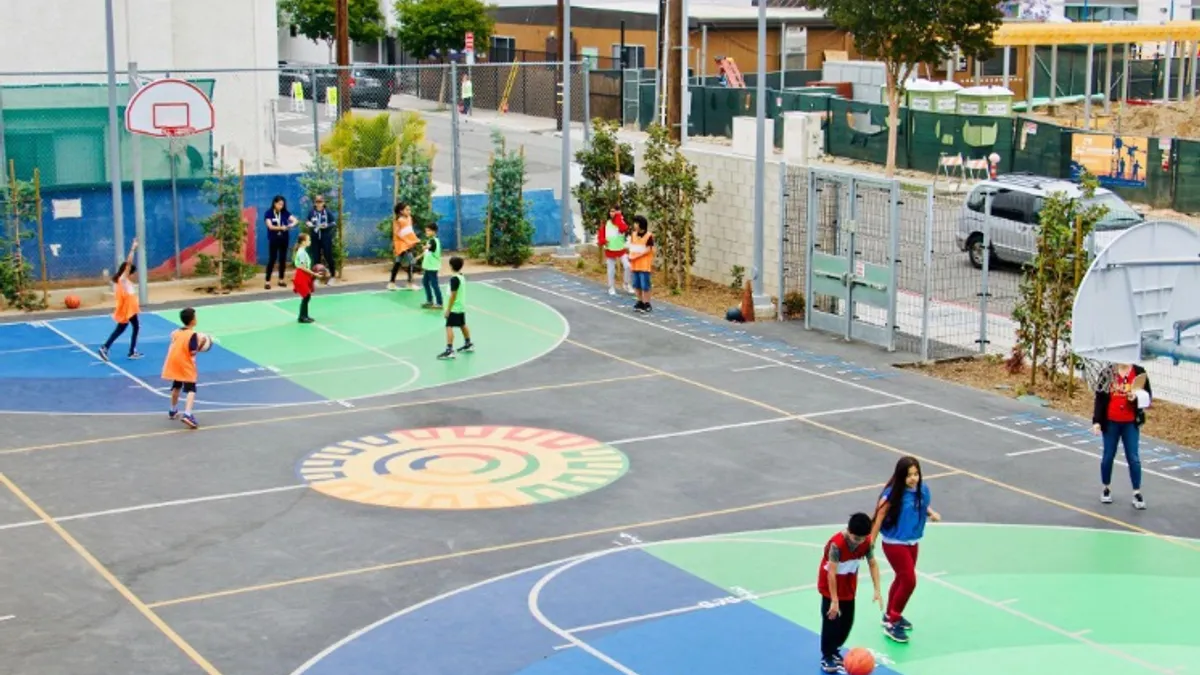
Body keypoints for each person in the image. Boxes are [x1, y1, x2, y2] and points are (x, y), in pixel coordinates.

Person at [870, 456, 941, 644]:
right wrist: (871, 541)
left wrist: (931, 513)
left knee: (901, 578)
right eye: (909, 475)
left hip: (912, 541)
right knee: (909, 581)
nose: (913, 478)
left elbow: (921, 505)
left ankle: (888, 615)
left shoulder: (921, 490)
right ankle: (893, 623)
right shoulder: (892, 495)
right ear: (901, 476)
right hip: (895, 543)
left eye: (916, 474)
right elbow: (879, 517)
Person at [818, 512, 883, 674]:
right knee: (831, 620)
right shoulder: (836, 545)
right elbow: (831, 573)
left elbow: (873, 564)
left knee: (847, 622)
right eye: (856, 539)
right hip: (830, 587)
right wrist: (834, 600)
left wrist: (877, 589)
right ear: (849, 531)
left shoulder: (866, 542)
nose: (859, 542)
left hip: (848, 586)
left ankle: (835, 649)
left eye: (862, 539)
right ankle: (827, 656)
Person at [1092, 362, 1152, 510]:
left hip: (1130, 423)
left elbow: (1148, 397)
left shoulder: (1139, 372)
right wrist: (1097, 421)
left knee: (1133, 458)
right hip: (1111, 422)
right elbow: (1100, 397)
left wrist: (1135, 398)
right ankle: (1106, 488)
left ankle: (1137, 492)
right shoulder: (1108, 373)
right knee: (1108, 456)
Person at [99, 239, 143, 362]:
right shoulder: (123, 280)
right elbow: (129, 263)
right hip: (127, 309)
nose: (133, 275)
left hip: (130, 309)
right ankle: (105, 347)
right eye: (132, 272)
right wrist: (133, 248)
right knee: (122, 329)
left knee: (134, 327)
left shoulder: (125, 281)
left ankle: (131, 351)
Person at [161, 307, 201, 430]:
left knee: (177, 384)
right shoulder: (192, 334)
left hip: (173, 360)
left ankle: (173, 410)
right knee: (191, 388)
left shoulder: (175, 332)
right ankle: (188, 414)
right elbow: (193, 351)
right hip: (185, 362)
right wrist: (201, 344)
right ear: (193, 321)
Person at [438, 256, 475, 360]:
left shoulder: (454, 279)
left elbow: (453, 295)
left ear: (451, 266)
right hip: (461, 306)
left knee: (449, 326)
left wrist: (448, 310)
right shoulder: (461, 276)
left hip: (454, 307)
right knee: (462, 324)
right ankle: (468, 344)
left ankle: (449, 350)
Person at [597, 208, 633, 296]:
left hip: (621, 249)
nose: (612, 213)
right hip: (610, 249)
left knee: (628, 266)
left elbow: (623, 228)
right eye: (611, 211)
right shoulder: (606, 224)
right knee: (611, 270)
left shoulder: (621, 222)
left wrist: (619, 218)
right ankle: (611, 287)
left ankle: (626, 283)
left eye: (614, 211)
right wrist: (604, 241)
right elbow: (601, 236)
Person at [265, 195, 297, 289]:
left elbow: (295, 220)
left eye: (282, 204)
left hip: (284, 239)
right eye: (279, 204)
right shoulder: (269, 213)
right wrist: (280, 228)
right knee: (272, 259)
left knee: (282, 260)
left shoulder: (285, 212)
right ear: (274, 203)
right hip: (274, 239)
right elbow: (270, 226)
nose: (281, 206)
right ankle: (267, 281)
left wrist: (290, 225)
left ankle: (281, 280)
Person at [388, 202, 420, 291]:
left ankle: (391, 283)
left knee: (398, 262)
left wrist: (413, 240)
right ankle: (409, 283)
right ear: (401, 211)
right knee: (411, 261)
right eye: (407, 209)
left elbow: (409, 231)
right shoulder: (398, 220)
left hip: (407, 243)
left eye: (409, 209)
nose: (409, 211)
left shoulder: (409, 218)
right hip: (401, 244)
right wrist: (407, 241)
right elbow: (397, 233)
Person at [307, 194, 337, 286]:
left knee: (328, 256)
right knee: (316, 257)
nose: (319, 204)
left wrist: (326, 226)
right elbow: (307, 221)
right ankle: (317, 278)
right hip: (315, 238)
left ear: (324, 203)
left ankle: (332, 276)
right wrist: (309, 224)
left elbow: (333, 223)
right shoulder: (312, 212)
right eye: (317, 202)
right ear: (314, 203)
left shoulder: (327, 212)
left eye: (320, 202)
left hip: (326, 237)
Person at [628, 215, 655, 313]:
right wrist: (630, 256)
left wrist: (636, 256)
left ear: (641, 225)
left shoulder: (649, 236)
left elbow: (648, 249)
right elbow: (632, 247)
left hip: (644, 265)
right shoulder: (633, 235)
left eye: (636, 223)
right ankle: (639, 301)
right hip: (635, 265)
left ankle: (647, 303)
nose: (634, 225)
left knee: (645, 285)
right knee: (636, 284)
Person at [292, 232, 319, 324]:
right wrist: (314, 274)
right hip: (301, 275)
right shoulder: (302, 253)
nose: (310, 241)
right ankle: (302, 317)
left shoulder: (302, 251)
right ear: (303, 242)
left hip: (304, 275)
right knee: (306, 295)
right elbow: (303, 267)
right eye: (308, 240)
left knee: (307, 296)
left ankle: (304, 316)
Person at [420, 223, 444, 309]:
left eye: (429, 230)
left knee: (434, 284)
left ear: (434, 231)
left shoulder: (434, 240)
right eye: (426, 230)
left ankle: (439, 302)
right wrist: (418, 256)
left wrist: (425, 247)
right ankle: (430, 301)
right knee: (425, 283)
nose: (426, 232)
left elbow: (430, 247)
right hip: (428, 267)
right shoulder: (430, 240)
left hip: (432, 267)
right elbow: (427, 251)